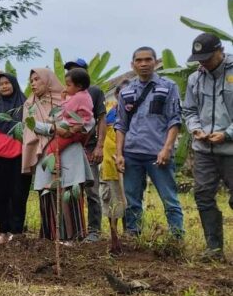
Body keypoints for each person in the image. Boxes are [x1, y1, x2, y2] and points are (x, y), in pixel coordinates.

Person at [115, 47, 184, 237]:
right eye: (139, 60)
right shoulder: (126, 92)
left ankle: (176, 239)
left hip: (158, 152)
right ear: (133, 64)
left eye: (148, 59)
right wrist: (119, 154)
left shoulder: (168, 86)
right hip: (132, 154)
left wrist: (167, 148)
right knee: (132, 200)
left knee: (169, 199)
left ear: (155, 62)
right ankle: (133, 237)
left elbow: (175, 119)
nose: (143, 64)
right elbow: (121, 124)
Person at [24, 68, 92, 242]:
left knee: (70, 195)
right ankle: (50, 239)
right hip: (45, 152)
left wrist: (71, 128)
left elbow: (88, 120)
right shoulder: (29, 105)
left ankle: (73, 238)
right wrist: (53, 128)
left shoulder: (70, 97)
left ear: (48, 80)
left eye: (37, 79)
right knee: (47, 196)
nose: (33, 83)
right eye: (31, 80)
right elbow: (30, 125)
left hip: (70, 153)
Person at [182, 33, 233, 260]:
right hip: (204, 150)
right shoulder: (195, 78)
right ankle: (214, 249)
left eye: (207, 58)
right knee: (203, 196)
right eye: (199, 58)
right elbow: (189, 110)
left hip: (231, 149)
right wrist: (195, 128)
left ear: (220, 51)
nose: (203, 63)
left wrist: (227, 134)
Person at [0, 73, 31, 244]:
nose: (4, 86)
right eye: (1, 84)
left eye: (7, 83)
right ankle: (3, 231)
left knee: (18, 195)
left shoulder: (26, 106)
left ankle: (16, 232)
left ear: (14, 84)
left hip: (20, 158)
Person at [64, 58, 108, 243]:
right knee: (72, 190)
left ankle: (94, 230)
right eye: (69, 70)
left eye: (76, 69)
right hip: (70, 147)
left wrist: (100, 145)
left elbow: (101, 119)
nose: (72, 72)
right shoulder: (67, 93)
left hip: (89, 148)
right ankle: (75, 229)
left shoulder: (94, 92)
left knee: (92, 190)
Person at [100, 80, 129, 240]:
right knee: (112, 200)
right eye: (122, 94)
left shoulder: (136, 112)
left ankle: (130, 234)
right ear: (117, 95)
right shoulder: (108, 109)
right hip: (110, 163)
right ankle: (114, 235)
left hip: (131, 161)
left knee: (130, 200)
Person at [45, 68, 94, 155]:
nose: (66, 88)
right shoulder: (86, 95)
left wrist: (63, 99)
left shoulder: (78, 97)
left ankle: (57, 167)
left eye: (68, 85)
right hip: (83, 132)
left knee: (51, 150)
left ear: (79, 86)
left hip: (73, 131)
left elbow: (66, 112)